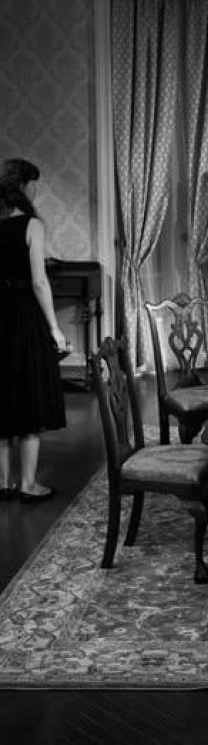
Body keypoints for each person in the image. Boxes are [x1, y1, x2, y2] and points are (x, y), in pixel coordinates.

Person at [0, 158, 68, 502]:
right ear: (24, 186)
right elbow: (40, 282)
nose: (36, 189)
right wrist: (55, 329)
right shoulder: (32, 225)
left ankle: (2, 483)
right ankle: (27, 484)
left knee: (1, 399)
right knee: (29, 397)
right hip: (23, 316)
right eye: (34, 183)